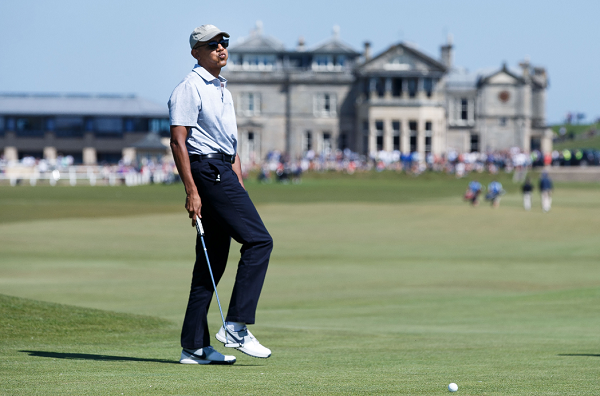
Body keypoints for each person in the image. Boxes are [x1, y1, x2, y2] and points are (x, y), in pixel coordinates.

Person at [168, 24, 273, 365]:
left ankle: (194, 346)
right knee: (259, 241)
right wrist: (191, 191)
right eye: (211, 44)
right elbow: (178, 141)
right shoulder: (189, 88)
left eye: (223, 42)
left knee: (210, 262)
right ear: (196, 52)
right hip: (207, 173)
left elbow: (228, 142)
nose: (220, 48)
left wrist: (237, 177)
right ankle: (236, 326)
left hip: (222, 171)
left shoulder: (222, 89)